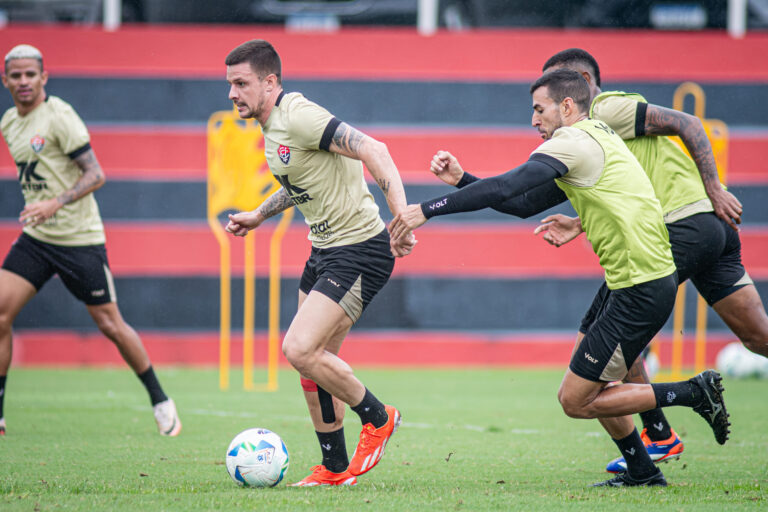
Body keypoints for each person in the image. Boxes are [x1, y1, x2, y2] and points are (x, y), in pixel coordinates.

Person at [390, 69, 730, 487]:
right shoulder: (596, 135)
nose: (533, 119)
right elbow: (522, 201)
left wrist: (426, 209)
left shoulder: (571, 142)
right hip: (630, 281)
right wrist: (462, 180)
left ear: (567, 106)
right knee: (586, 372)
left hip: (640, 286)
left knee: (576, 400)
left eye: (539, 108)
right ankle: (642, 469)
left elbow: (506, 187)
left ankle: (694, 393)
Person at [531, 48, 768, 473]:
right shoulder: (592, 137)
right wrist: (581, 223)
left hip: (683, 227)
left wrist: (714, 185)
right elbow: (627, 186)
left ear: (582, 82)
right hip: (710, 231)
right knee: (758, 338)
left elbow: (687, 122)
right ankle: (657, 439)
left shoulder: (604, 109)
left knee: (609, 326)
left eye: (556, 89)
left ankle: (660, 435)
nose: (548, 103)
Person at [223, 40, 413, 487]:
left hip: (360, 250)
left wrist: (401, 218)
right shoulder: (273, 127)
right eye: (229, 83)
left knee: (299, 349)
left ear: (270, 83)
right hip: (324, 250)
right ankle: (333, 467)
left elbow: (376, 150)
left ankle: (378, 417)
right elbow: (301, 180)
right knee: (313, 362)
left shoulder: (299, 115)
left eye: (240, 83)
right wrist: (258, 215)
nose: (232, 93)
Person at [0, 44, 180, 437]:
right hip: (37, 238)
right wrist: (43, 210)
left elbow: (96, 174)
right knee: (0, 312)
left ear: (44, 77)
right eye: (16, 75)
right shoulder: (10, 122)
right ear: (6, 80)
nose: (24, 81)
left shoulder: (60, 117)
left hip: (79, 240)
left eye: (31, 74)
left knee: (110, 324)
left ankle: (160, 399)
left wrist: (55, 202)